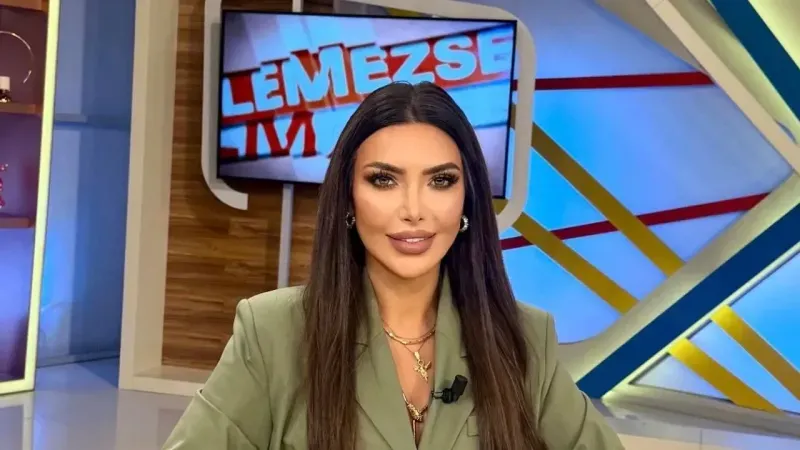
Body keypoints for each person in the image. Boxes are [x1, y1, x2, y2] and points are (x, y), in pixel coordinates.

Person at [163, 81, 624, 450]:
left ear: (467, 199)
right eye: (384, 180)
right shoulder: (271, 334)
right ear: (348, 197)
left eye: (440, 181)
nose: (414, 210)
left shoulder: (524, 339)